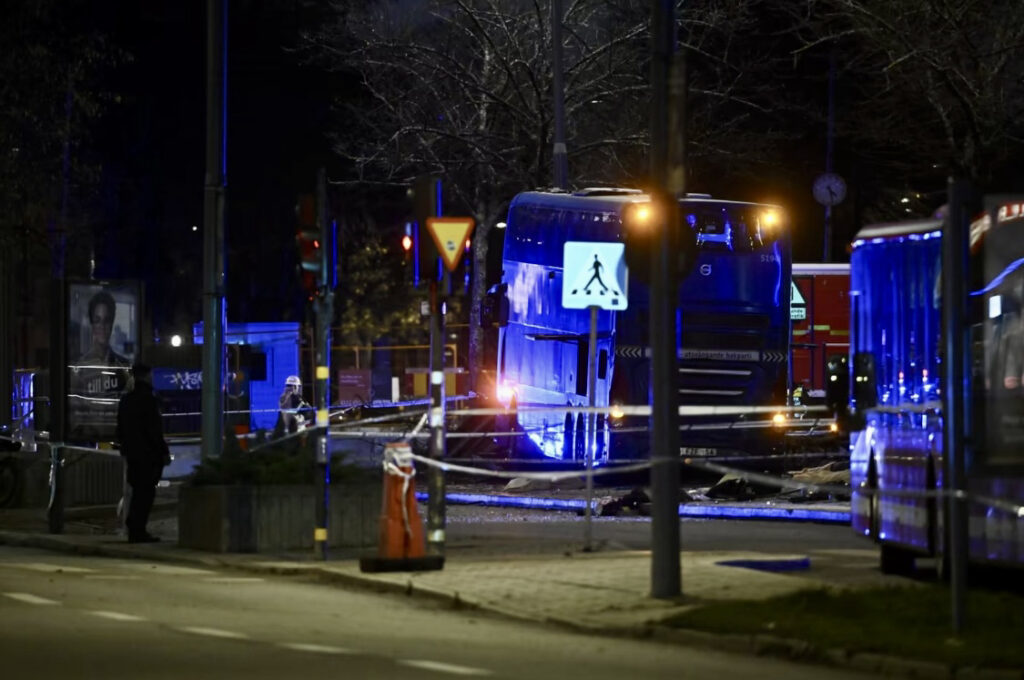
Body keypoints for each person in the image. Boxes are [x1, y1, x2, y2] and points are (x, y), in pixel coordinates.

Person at [116, 363, 171, 543]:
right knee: (145, 493)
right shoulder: (149, 399)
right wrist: (163, 451)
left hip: (132, 453)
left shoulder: (126, 400)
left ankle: (134, 527)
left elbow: (120, 429)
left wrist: (125, 447)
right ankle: (138, 529)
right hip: (148, 454)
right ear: (147, 376)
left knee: (137, 491)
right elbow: (154, 430)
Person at [80, 290, 130, 367]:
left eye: (106, 320)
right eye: (97, 320)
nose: (102, 326)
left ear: (112, 323)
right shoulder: (81, 366)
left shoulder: (123, 365)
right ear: (92, 324)